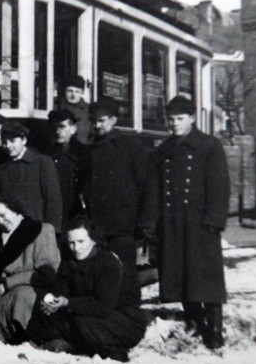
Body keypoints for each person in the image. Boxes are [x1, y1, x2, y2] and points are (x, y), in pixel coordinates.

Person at [152, 96, 230, 349]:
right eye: (171, 120)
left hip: (200, 223)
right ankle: (197, 322)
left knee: (207, 276)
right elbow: (155, 188)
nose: (174, 124)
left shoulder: (209, 145)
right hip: (173, 223)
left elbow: (219, 187)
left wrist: (214, 219)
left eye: (180, 119)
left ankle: (215, 329)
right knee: (181, 275)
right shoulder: (164, 149)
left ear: (192, 118)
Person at [28, 217, 147, 362]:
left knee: (81, 322)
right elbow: (61, 288)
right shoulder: (69, 261)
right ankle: (84, 345)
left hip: (124, 320)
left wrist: (67, 303)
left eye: (81, 242)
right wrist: (54, 301)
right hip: (91, 315)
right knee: (50, 319)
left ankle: (113, 353)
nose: (76, 248)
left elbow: (103, 306)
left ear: (94, 240)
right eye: (71, 243)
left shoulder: (108, 262)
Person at [84, 98, 156, 306]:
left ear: (114, 120)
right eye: (94, 121)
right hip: (98, 225)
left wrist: (145, 220)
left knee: (125, 272)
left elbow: (146, 185)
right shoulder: (91, 150)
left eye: (102, 121)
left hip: (123, 223)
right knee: (104, 273)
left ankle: (130, 313)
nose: (98, 126)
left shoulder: (130, 146)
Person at [0, 195, 61, 344]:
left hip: (35, 296)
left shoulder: (40, 230)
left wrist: (7, 284)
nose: (1, 221)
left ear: (15, 210)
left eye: (2, 215)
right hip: (6, 299)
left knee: (22, 295)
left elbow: (46, 274)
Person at [0, 121, 63, 234]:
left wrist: (51, 231)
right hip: (11, 232)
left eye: (13, 141)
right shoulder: (1, 170)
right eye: (5, 142)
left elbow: (53, 201)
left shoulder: (42, 162)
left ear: (24, 140)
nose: (8, 146)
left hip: (38, 230)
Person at [47, 109, 89, 226]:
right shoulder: (46, 154)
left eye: (62, 127)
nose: (57, 131)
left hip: (75, 214)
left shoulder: (83, 154)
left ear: (73, 129)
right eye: (54, 127)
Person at [57, 75, 91, 144]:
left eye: (77, 92)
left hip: (82, 149)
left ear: (82, 93)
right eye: (70, 91)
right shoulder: (57, 107)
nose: (73, 95)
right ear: (65, 91)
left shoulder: (89, 110)